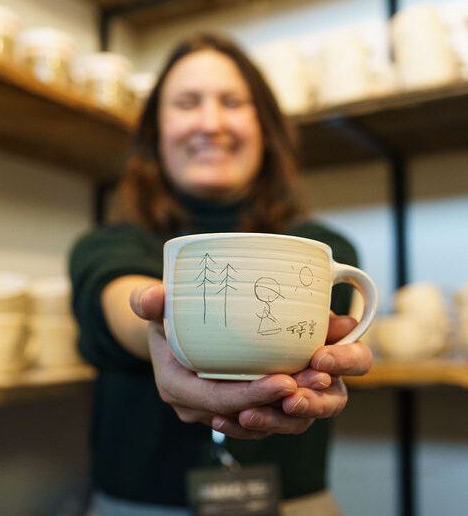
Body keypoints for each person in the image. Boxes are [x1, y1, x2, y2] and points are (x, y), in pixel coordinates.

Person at [69, 33, 373, 515]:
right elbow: (117, 299)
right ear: (156, 132)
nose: (211, 123)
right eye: (188, 103)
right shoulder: (109, 245)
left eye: (232, 102)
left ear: (265, 127)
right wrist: (162, 328)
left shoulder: (322, 250)